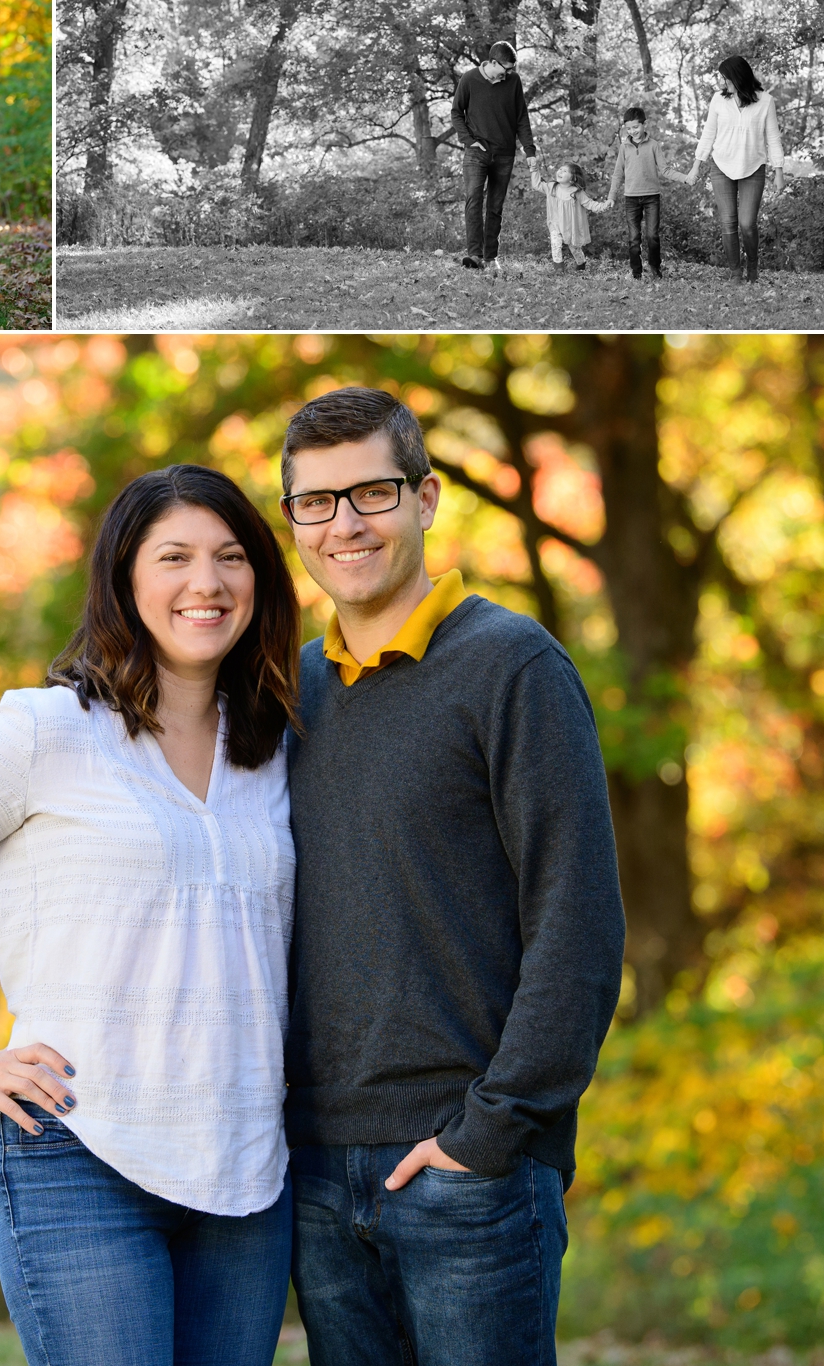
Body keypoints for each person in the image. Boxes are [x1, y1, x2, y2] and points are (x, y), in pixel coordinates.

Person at [0, 464, 301, 1365]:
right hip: (80, 1149)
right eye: (176, 556)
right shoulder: (45, 732)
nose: (209, 581)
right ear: (125, 578)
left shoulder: (275, 748)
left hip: (246, 1169)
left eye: (233, 557)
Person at [279, 386, 626, 1366]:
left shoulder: (512, 666)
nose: (345, 524)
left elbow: (579, 921)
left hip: (464, 1170)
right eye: (317, 502)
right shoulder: (288, 693)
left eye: (373, 494)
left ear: (427, 499)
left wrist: (494, 1131)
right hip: (311, 1173)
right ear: (294, 521)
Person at [684, 55, 786, 284]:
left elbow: (773, 138)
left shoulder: (766, 101)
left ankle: (752, 267)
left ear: (738, 77)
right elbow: (708, 133)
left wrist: (779, 171)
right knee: (728, 223)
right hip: (721, 166)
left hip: (753, 167)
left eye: (726, 78)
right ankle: (735, 273)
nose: (724, 83)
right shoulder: (718, 100)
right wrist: (696, 165)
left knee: (747, 223)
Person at [450, 40, 540, 273]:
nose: (509, 74)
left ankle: (491, 257)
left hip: (504, 153)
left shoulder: (513, 82)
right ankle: (475, 255)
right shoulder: (469, 80)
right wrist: (469, 140)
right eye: (506, 69)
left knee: (495, 206)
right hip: (476, 152)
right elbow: (457, 112)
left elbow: (521, 117)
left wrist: (529, 150)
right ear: (492, 63)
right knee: (473, 200)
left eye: (511, 70)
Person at [606, 106, 685, 283]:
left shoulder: (654, 145)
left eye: (636, 127)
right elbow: (618, 174)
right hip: (631, 198)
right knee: (634, 238)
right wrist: (611, 196)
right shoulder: (624, 147)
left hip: (651, 198)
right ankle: (636, 273)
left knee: (652, 236)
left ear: (644, 125)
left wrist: (685, 178)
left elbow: (665, 170)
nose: (633, 131)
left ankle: (655, 269)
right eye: (629, 128)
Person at [530, 159, 611, 270]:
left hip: (571, 227)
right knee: (555, 245)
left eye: (564, 171)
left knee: (575, 248)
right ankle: (559, 270)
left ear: (573, 178)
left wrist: (605, 205)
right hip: (555, 224)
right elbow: (536, 185)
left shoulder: (576, 192)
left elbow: (590, 204)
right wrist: (534, 169)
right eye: (560, 170)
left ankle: (581, 265)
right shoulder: (551, 187)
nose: (560, 172)